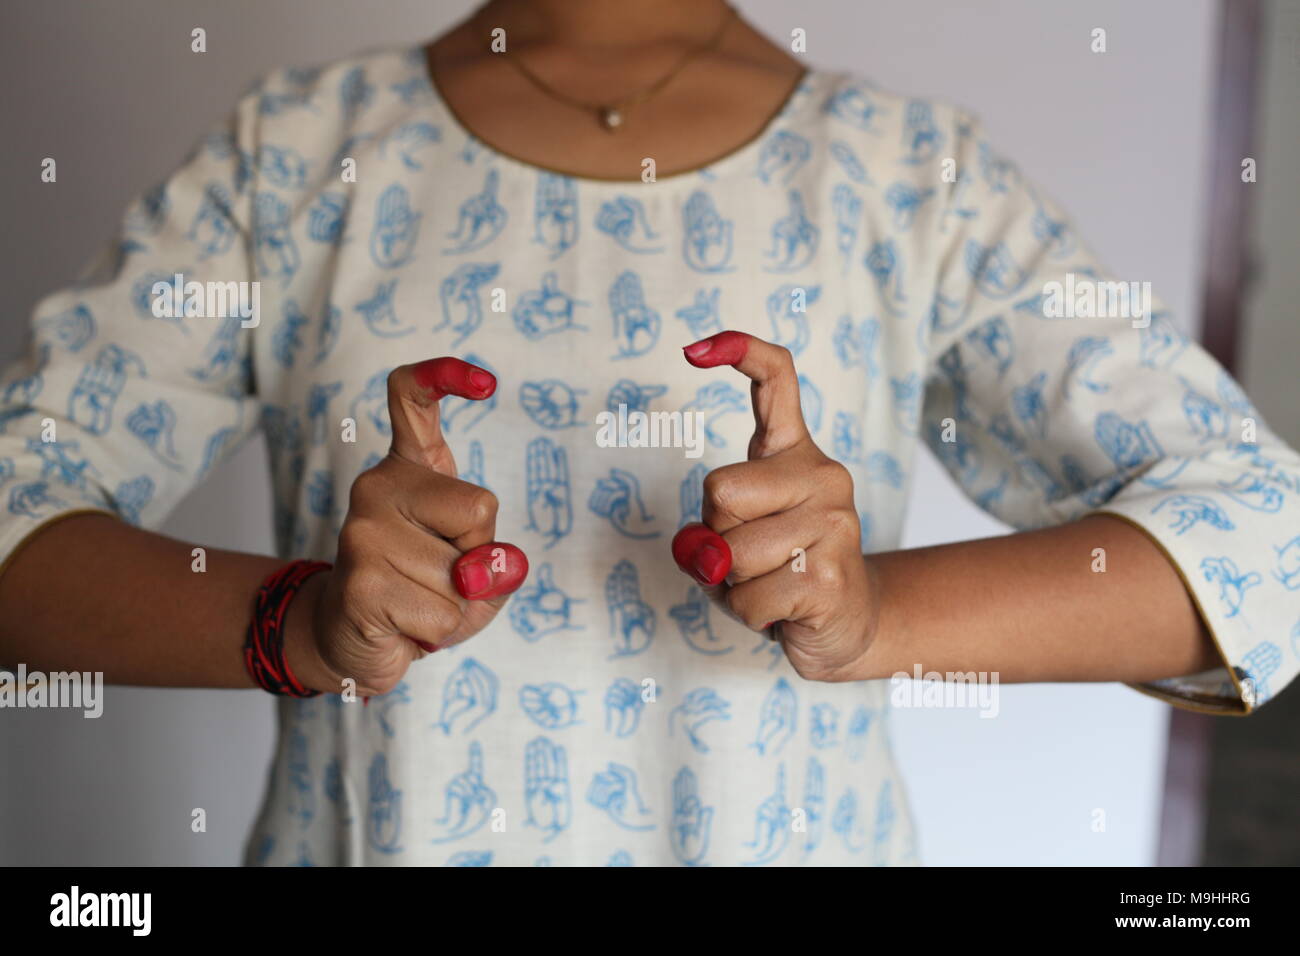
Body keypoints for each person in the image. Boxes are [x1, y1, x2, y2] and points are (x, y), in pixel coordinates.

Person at [1, 0, 1296, 867]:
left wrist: (874, 615)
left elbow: (1265, 539)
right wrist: (301, 622)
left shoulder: (906, 183)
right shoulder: (292, 161)